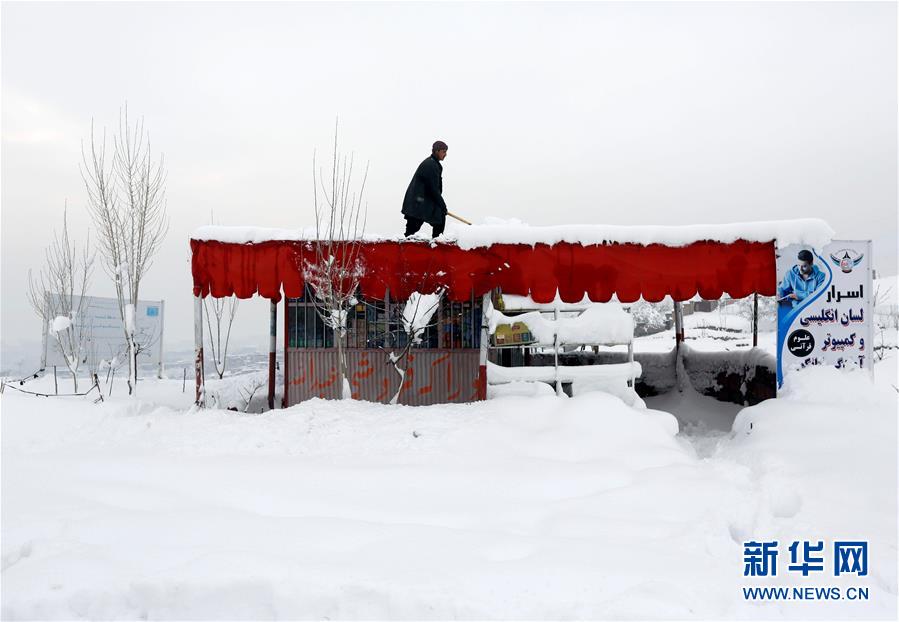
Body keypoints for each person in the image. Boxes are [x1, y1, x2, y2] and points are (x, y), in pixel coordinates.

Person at [402, 141, 448, 238]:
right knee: (413, 228)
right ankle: (436, 243)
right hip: (418, 203)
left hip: (422, 202)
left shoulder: (433, 164)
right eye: (443, 152)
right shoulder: (430, 165)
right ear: (436, 151)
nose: (445, 154)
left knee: (439, 219)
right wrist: (443, 206)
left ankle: (436, 243)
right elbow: (434, 189)